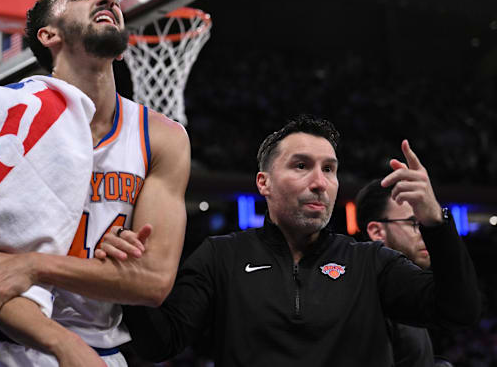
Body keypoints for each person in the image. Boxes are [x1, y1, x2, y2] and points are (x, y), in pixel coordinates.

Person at [0, 0, 190, 367]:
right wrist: (66, 346)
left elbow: (153, 282)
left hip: (105, 351)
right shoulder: (11, 113)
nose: (109, 0)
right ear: (49, 35)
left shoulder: (163, 137)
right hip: (5, 347)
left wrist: (34, 265)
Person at [118, 115, 480, 366]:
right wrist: (129, 280)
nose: (320, 182)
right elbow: (159, 342)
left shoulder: (372, 263)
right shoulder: (221, 256)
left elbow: (459, 310)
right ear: (264, 183)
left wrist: (436, 222)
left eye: (330, 169)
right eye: (301, 165)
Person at [356, 179, 445, 367]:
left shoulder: (410, 292)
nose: (424, 232)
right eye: (414, 223)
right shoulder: (363, 299)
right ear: (377, 231)